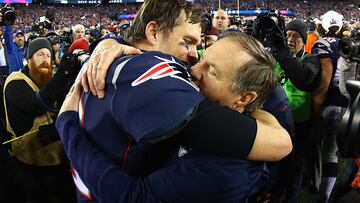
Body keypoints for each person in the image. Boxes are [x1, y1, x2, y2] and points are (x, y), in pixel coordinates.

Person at [57, 31, 285, 202]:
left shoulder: (229, 171)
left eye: (211, 70)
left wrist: (67, 127)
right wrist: (109, 43)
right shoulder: (200, 103)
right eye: (202, 59)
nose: (194, 71)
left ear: (244, 98)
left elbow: (131, 196)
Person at [3, 37, 77, 202]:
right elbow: (35, 104)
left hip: (57, 161)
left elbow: (69, 106)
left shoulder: (49, 80)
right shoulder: (15, 81)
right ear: (29, 59)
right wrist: (62, 75)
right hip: (28, 166)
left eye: (48, 56)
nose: (45, 60)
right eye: (40, 55)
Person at [310, 11, 349, 202]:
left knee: (325, 151)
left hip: (329, 104)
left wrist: (316, 106)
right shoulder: (346, 44)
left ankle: (322, 194)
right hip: (347, 103)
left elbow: (324, 81)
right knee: (333, 151)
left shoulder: (322, 44)